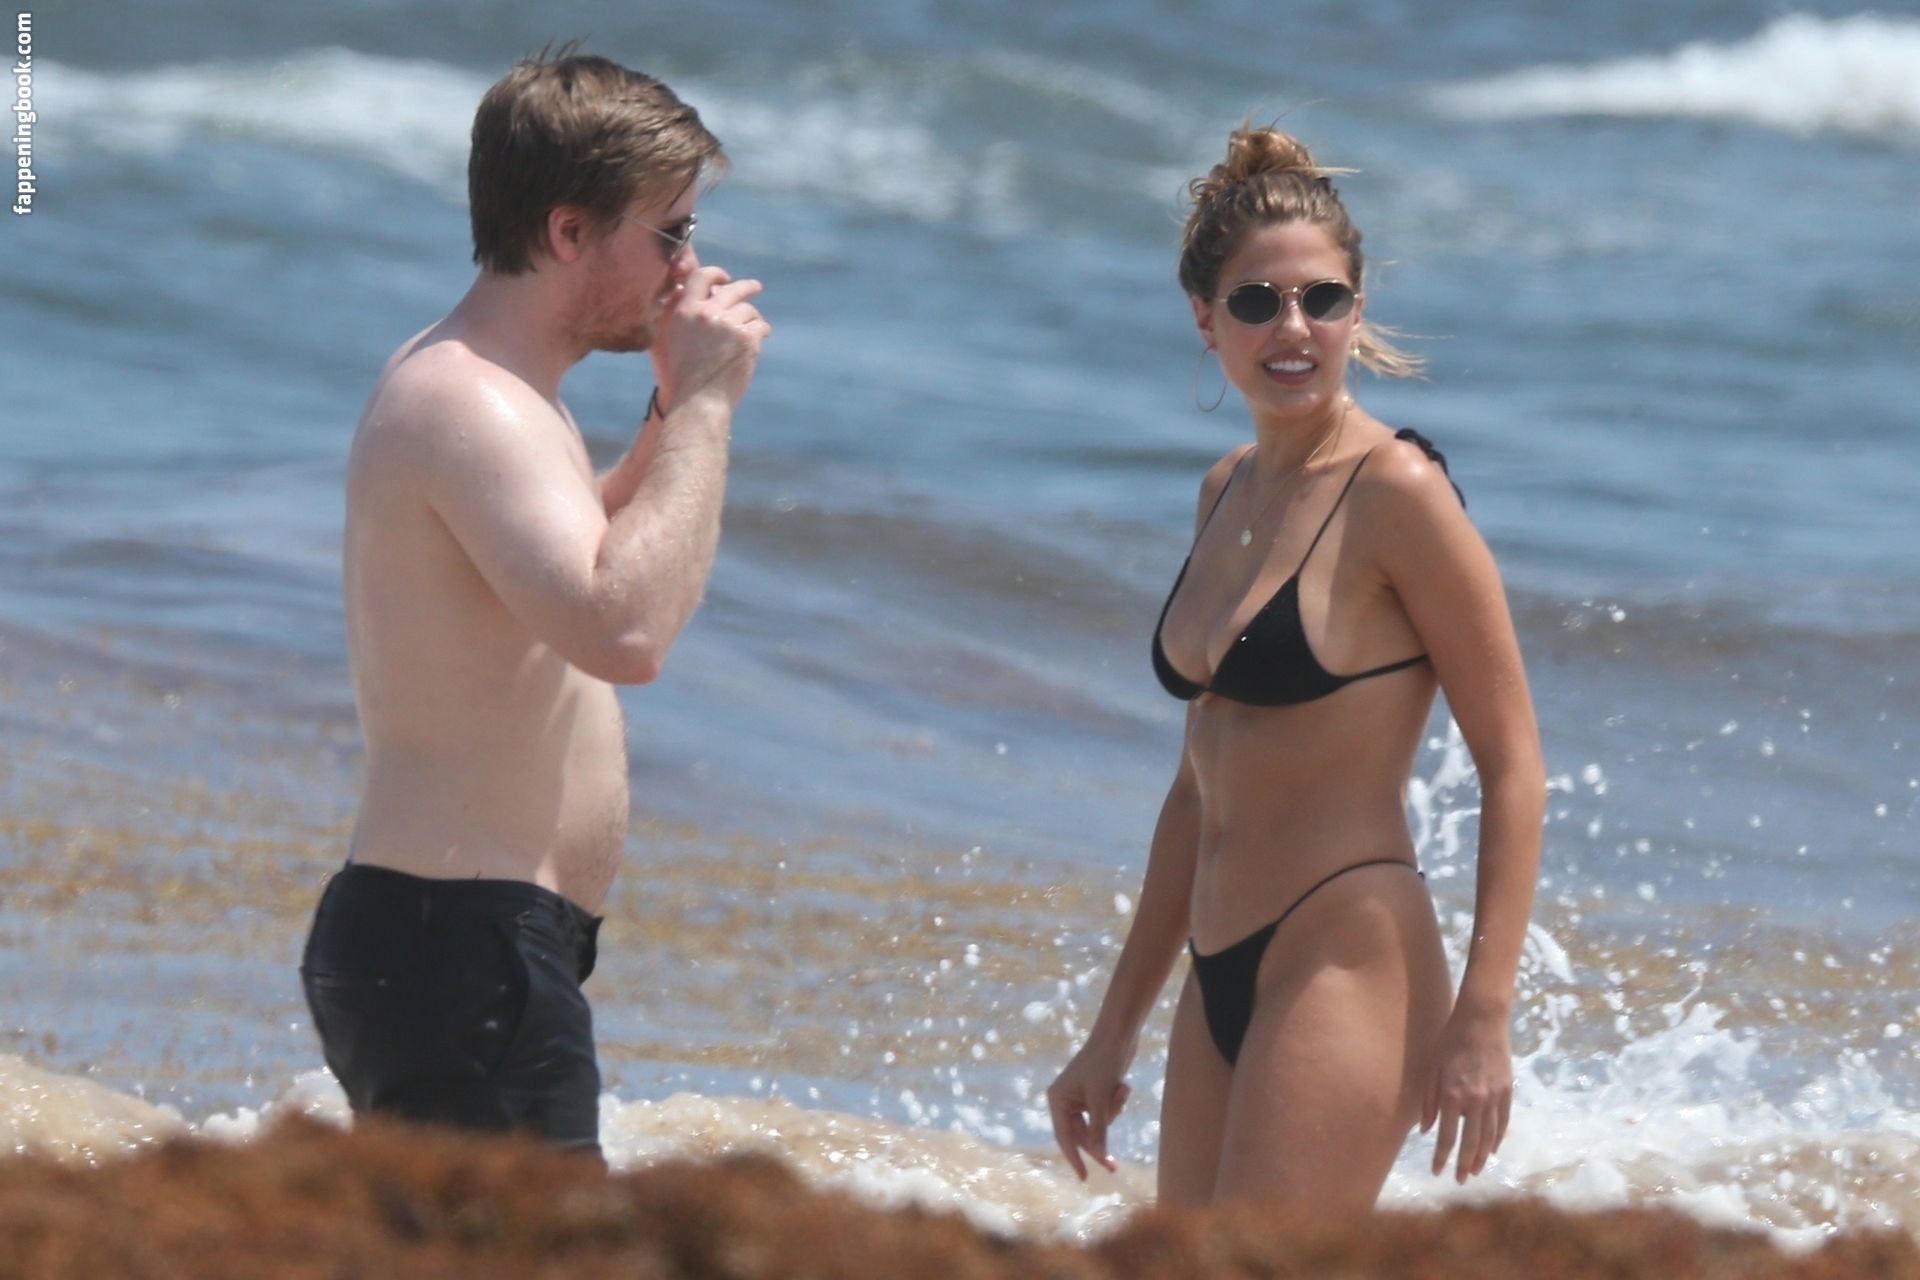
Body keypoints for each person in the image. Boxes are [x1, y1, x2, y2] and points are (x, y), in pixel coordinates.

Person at [1046, 125, 1542, 1218]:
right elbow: (1196, 790)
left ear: (1356, 311)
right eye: (1258, 302)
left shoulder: (1399, 493)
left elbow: (1514, 766)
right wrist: (1112, 1029)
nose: (1293, 328)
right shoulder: (1224, 487)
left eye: (1322, 299)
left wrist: (1484, 1012)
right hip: (1217, 960)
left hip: (1346, 952)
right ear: (1205, 317)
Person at [299, 46, 770, 1159]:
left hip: (465, 938)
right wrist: (705, 407)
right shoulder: (469, 401)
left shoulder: (502, 392)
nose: (687, 266)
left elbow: (581, 562)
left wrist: (672, 405)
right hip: (454, 938)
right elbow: (623, 629)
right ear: (568, 231)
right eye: (671, 233)